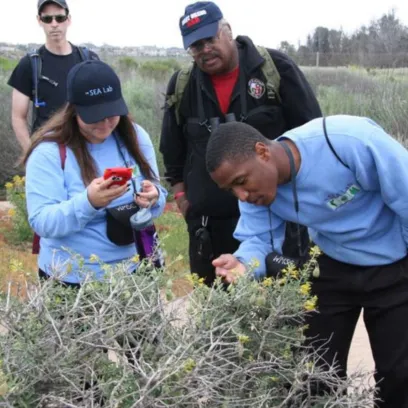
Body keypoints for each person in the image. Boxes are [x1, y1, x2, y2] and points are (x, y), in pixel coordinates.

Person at [205, 115, 408, 408]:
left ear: (262, 152)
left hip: (395, 264)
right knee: (313, 376)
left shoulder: (348, 141)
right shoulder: (257, 194)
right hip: (331, 264)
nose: (242, 195)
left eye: (241, 182)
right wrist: (242, 264)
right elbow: (259, 242)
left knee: (399, 376)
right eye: (231, 190)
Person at [159, 1, 322, 286]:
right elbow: (172, 152)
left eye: (210, 39)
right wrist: (184, 201)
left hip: (276, 221)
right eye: (196, 46)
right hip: (210, 228)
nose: (205, 50)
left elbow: (311, 134)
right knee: (218, 320)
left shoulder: (274, 69)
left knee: (282, 314)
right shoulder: (182, 85)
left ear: (227, 31)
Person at [22, 60, 167, 286]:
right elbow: (42, 221)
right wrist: (89, 202)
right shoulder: (49, 153)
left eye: (111, 113)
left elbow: (158, 194)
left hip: (134, 273)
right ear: (73, 110)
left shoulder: (136, 138)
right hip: (70, 280)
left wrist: (154, 197)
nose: (106, 123)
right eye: (94, 115)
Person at [8, 0, 99, 152]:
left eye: (60, 18)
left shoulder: (89, 59)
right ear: (39, 20)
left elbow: (103, 106)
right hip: (46, 150)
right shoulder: (29, 64)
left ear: (68, 19)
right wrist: (32, 154)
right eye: (47, 19)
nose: (54, 24)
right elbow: (18, 117)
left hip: (84, 149)